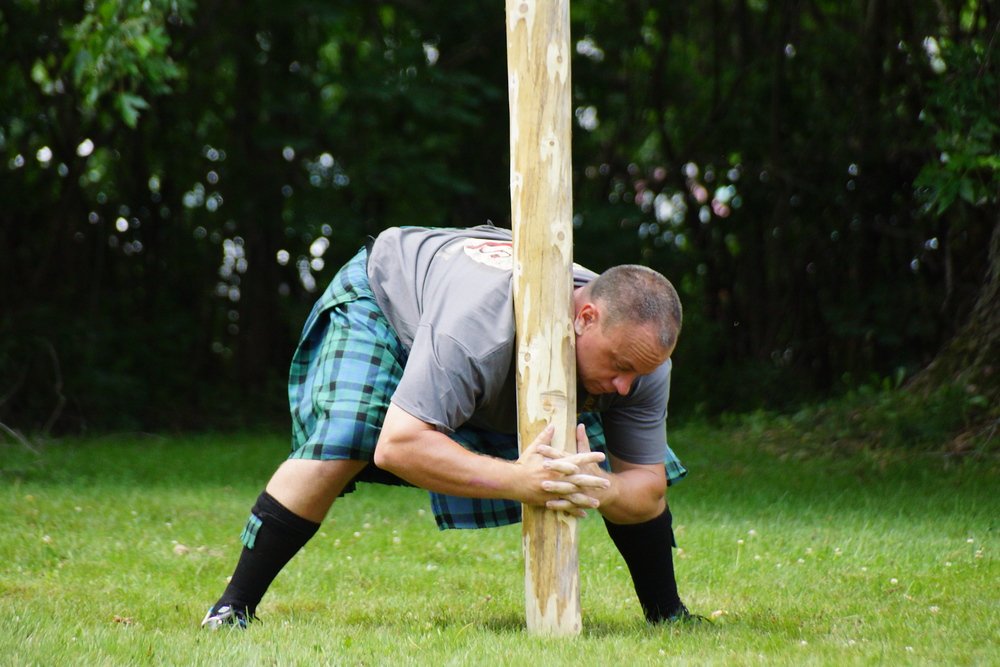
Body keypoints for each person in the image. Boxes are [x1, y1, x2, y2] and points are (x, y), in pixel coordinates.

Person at [201, 223, 698, 629]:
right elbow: (398, 447)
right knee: (347, 436)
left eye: (640, 372)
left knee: (597, 454)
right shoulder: (477, 332)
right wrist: (521, 480)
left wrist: (599, 487)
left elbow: (647, 487)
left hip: (471, 326)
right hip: (387, 303)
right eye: (619, 366)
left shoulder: (641, 358)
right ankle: (230, 609)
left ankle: (668, 616)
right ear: (585, 318)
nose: (625, 386)